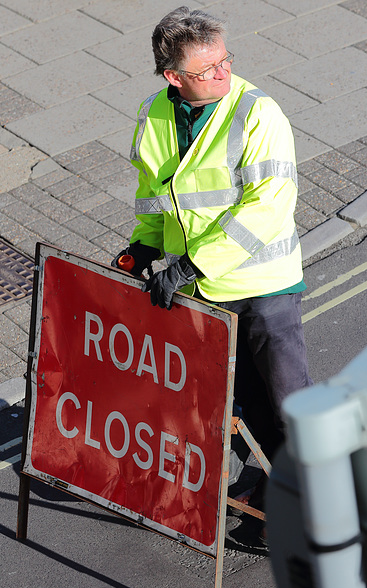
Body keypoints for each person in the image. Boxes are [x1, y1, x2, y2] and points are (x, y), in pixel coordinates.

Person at [111, 6, 312, 509]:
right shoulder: (153, 114)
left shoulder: (258, 112)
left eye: (225, 60)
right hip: (206, 292)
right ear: (173, 77)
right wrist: (145, 246)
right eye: (208, 69)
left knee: (289, 404)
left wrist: (191, 265)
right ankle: (274, 486)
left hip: (264, 286)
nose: (223, 72)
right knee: (244, 405)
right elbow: (155, 195)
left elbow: (269, 204)